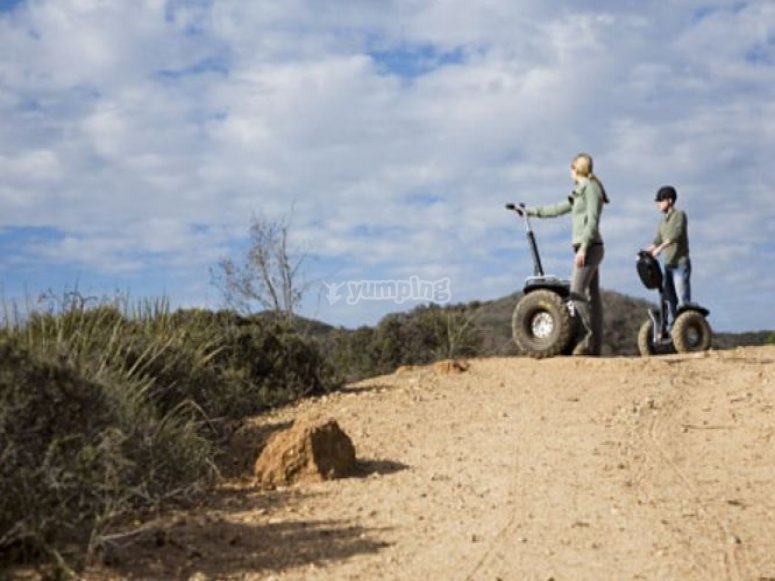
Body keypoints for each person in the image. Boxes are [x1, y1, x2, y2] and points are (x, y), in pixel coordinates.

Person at [525, 153, 609, 356]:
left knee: (576, 292)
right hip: (586, 247)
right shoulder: (580, 190)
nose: (569, 172)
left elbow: (593, 221)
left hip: (589, 247)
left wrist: (583, 248)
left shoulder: (591, 188)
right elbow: (557, 208)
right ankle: (594, 347)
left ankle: (585, 342)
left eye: (570, 168)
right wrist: (530, 211)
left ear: (576, 169)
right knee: (593, 297)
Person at [646, 185, 691, 329]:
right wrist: (646, 251)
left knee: (682, 300)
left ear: (670, 201)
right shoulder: (662, 222)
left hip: (680, 264)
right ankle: (674, 330)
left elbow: (675, 236)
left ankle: (686, 329)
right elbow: (657, 240)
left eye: (660, 200)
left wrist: (660, 248)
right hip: (668, 265)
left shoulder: (680, 215)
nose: (658, 204)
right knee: (669, 300)